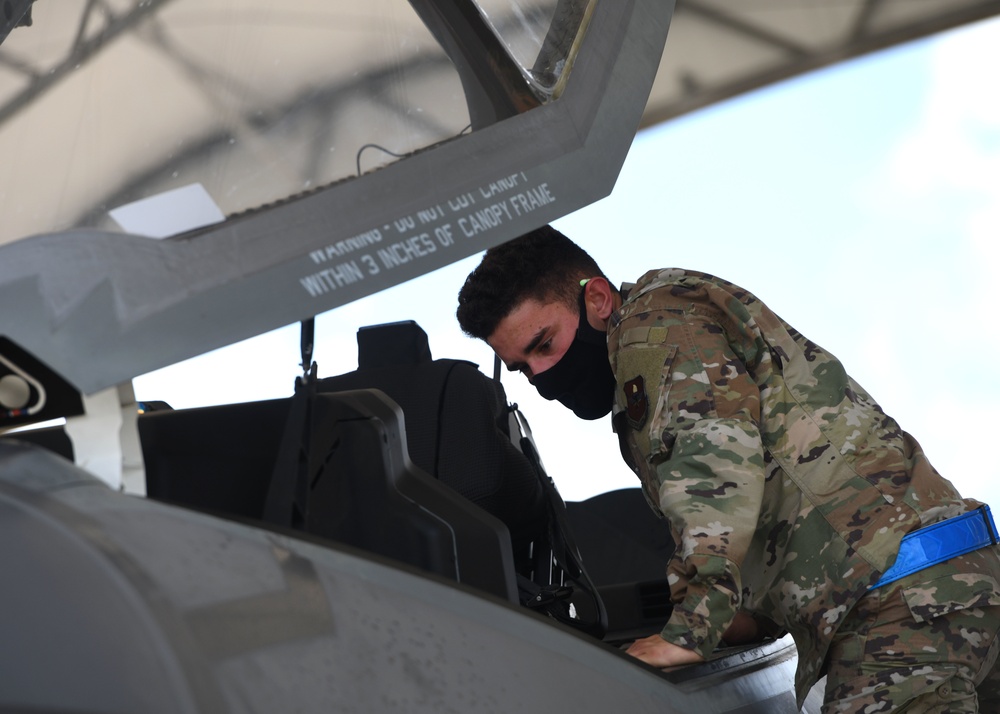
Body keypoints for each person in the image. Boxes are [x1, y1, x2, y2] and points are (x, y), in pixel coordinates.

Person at [455, 225, 1000, 713]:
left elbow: (714, 467)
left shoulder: (652, 327)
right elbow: (776, 485)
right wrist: (751, 616)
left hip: (894, 603)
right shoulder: (672, 322)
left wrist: (692, 628)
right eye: (523, 368)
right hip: (943, 582)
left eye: (544, 345)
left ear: (597, 298)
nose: (542, 377)